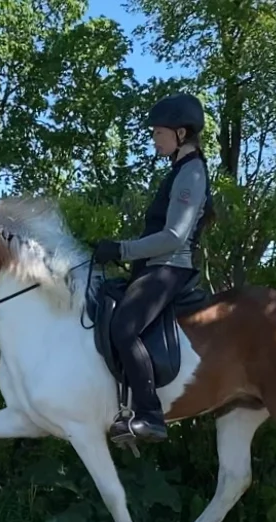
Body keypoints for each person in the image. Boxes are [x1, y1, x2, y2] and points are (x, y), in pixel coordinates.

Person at [91, 92, 214, 443]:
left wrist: (122, 249)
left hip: (170, 268)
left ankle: (150, 415)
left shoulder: (191, 173)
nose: (154, 140)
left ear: (181, 134)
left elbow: (174, 237)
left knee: (124, 328)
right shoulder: (179, 171)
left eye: (159, 133)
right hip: (154, 267)